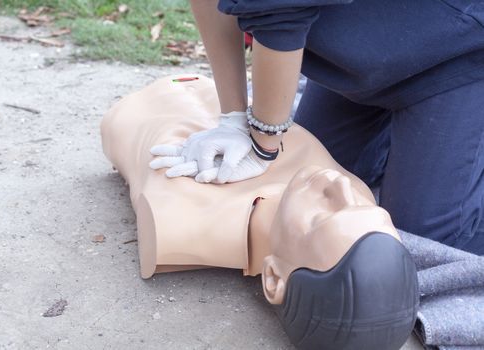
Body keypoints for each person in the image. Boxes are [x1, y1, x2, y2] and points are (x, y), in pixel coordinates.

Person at [101, 75, 419, 349]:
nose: (340, 186)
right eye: (367, 209)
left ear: (273, 278)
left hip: (148, 100)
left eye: (323, 216)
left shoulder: (177, 217)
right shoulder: (349, 187)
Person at [150, 0, 484, 255]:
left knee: (427, 239)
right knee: (311, 191)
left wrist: (263, 140)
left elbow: (281, 11)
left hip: (459, 53)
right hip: (363, 53)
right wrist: (234, 119)